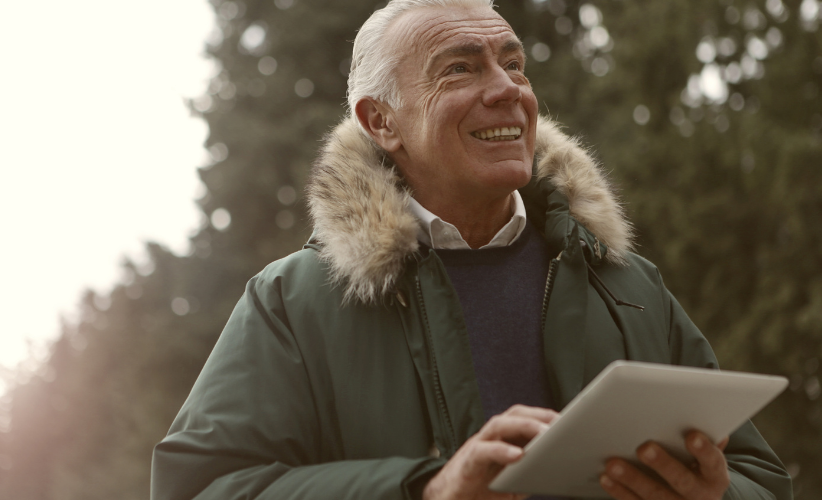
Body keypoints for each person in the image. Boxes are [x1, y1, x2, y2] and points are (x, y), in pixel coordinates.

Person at [151, 1, 792, 499]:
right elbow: (200, 487)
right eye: (460, 67)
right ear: (381, 122)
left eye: (513, 63)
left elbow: (760, 477)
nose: (507, 89)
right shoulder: (292, 302)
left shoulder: (630, 286)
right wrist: (426, 489)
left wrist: (714, 493)